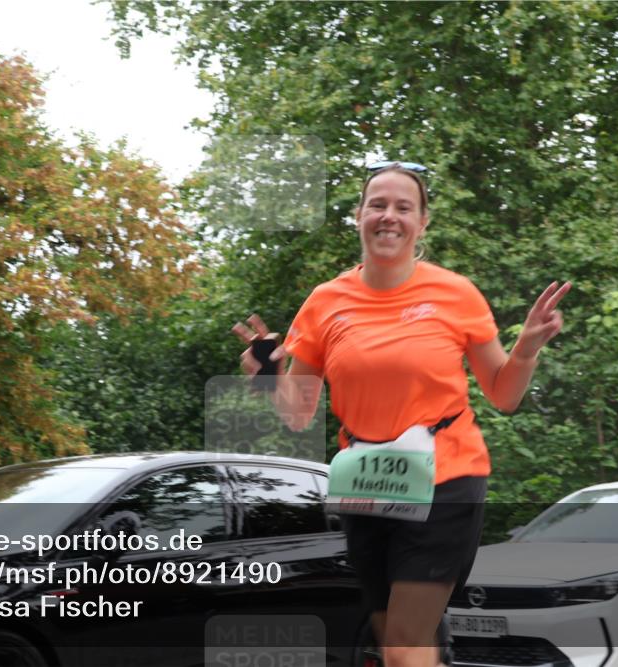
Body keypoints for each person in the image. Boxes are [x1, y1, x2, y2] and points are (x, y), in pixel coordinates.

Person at [232, 161, 570, 667]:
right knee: (396, 639)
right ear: (358, 216)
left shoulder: (455, 293)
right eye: (378, 205)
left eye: (403, 207)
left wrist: (524, 350)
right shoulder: (326, 303)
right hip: (366, 482)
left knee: (407, 638)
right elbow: (299, 414)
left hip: (447, 475)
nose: (389, 216)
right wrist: (265, 377)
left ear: (422, 222)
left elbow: (502, 394)